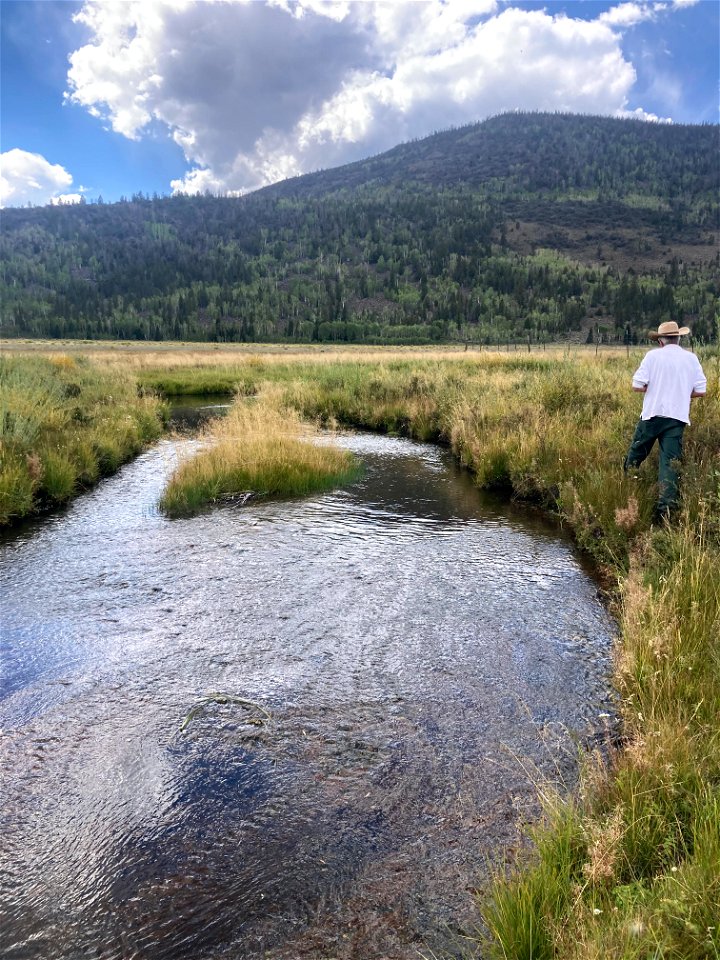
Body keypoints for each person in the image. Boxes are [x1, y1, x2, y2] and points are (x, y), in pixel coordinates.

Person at [624, 320, 706, 520]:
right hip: (676, 418)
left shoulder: (653, 356)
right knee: (670, 465)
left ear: (660, 340)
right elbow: (701, 391)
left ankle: (624, 487)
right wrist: (680, 393)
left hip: (652, 415)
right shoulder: (691, 358)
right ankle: (664, 513)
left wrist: (656, 389)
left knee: (636, 454)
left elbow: (637, 385)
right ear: (678, 338)